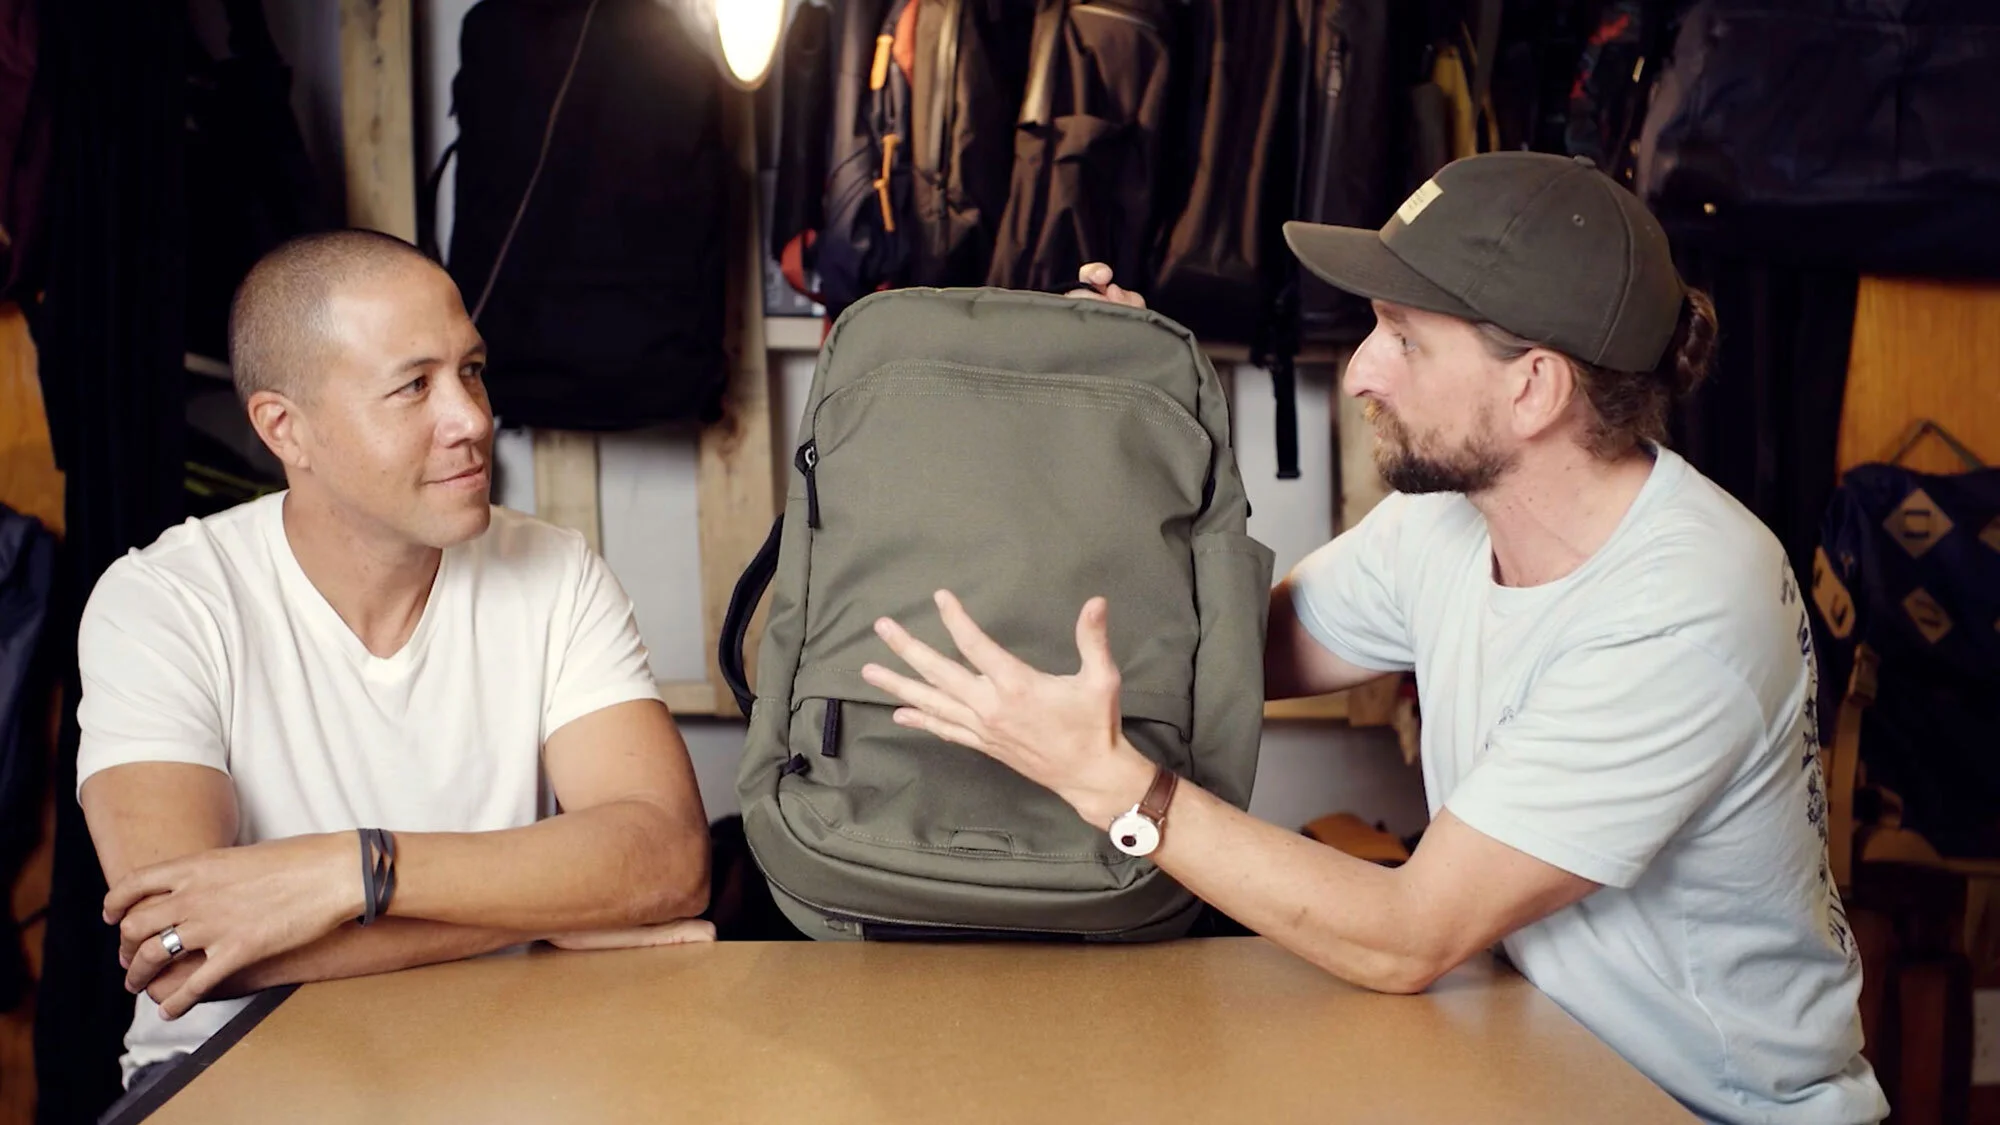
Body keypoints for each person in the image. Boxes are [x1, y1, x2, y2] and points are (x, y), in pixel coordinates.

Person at [860, 152, 1888, 1123]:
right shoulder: (1449, 523)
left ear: (1533, 387)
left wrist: (1116, 788)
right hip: (1535, 1058)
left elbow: (1408, 939)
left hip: (1706, 1105)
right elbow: (1222, 656)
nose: (1358, 371)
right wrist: (1123, 411)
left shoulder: (1682, 608)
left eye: (1404, 338)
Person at [77, 230, 714, 1113]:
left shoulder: (556, 571)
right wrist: (546, 911)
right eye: (414, 385)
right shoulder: (162, 601)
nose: (473, 419)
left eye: (472, 371)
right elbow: (181, 948)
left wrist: (353, 872)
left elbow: (668, 859)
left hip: (510, 1059)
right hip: (232, 1076)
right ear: (284, 427)